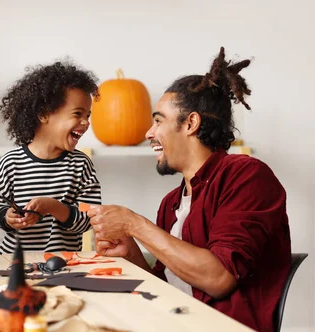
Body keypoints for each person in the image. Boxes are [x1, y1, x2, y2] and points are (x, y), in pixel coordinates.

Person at [88, 47, 291, 332]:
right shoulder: (171, 202)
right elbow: (173, 288)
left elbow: (219, 279)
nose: (148, 133)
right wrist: (132, 254)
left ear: (191, 123)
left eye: (158, 120)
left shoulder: (247, 176)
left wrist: (134, 224)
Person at [0, 60, 102, 254]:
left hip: (64, 263)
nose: (86, 122)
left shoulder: (81, 165)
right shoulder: (12, 162)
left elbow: (89, 217)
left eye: (88, 115)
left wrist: (54, 207)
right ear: (44, 114)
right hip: (15, 262)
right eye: (78, 114)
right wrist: (6, 217)